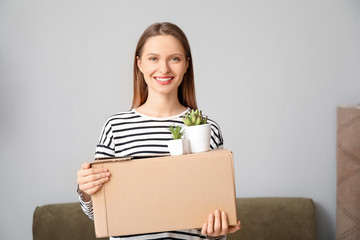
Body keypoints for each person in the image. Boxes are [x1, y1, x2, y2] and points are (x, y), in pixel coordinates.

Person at [77, 22, 241, 240]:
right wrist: (87, 191)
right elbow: (100, 214)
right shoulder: (115, 128)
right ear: (139, 64)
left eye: (174, 58)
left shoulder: (206, 128)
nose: (164, 69)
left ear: (186, 65)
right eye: (153, 58)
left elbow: (215, 223)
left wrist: (217, 233)